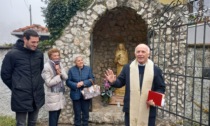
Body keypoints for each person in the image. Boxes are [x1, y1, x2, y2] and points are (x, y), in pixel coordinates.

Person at [105, 44, 166, 126]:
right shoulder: (128, 68)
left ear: (148, 54)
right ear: (135, 54)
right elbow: (120, 82)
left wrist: (154, 99)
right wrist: (113, 81)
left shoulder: (155, 70)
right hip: (131, 109)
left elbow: (160, 88)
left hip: (148, 109)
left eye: (143, 52)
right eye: (138, 52)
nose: (140, 54)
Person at [1, 29, 45, 126]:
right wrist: (17, 87)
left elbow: (40, 71)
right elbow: (5, 75)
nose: (35, 44)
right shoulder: (12, 54)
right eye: (33, 42)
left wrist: (39, 84)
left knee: (33, 122)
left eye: (37, 42)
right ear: (25, 39)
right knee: (21, 123)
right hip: (21, 96)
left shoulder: (39, 54)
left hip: (37, 95)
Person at [41, 48, 68, 126]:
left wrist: (60, 71)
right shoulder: (47, 66)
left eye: (58, 55)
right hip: (52, 95)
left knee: (57, 116)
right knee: (53, 117)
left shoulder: (60, 64)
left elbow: (65, 77)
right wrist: (59, 76)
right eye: (54, 55)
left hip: (59, 93)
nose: (57, 57)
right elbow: (48, 83)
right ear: (50, 56)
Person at [66, 55, 94, 126]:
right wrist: (76, 85)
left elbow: (92, 80)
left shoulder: (88, 69)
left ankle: (85, 124)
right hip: (76, 94)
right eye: (78, 60)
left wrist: (83, 83)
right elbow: (68, 82)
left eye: (81, 60)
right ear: (75, 62)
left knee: (85, 113)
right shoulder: (71, 70)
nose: (81, 61)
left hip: (86, 94)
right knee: (77, 114)